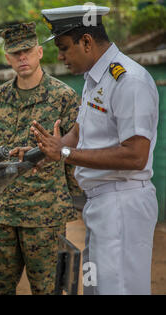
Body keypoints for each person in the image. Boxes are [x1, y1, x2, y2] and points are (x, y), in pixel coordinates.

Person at [31, 5, 159, 295]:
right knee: (95, 288)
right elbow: (80, 131)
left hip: (122, 206)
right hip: (99, 205)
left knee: (118, 290)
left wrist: (64, 154)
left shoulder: (129, 81)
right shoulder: (94, 78)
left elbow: (136, 155)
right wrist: (44, 151)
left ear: (87, 41)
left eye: (64, 48)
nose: (60, 57)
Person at [0, 22, 82, 295]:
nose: (22, 58)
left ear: (40, 52)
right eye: (15, 54)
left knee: (47, 289)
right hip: (2, 212)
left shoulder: (64, 96)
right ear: (7, 58)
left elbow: (74, 153)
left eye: (27, 51)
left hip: (45, 215)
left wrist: (76, 201)